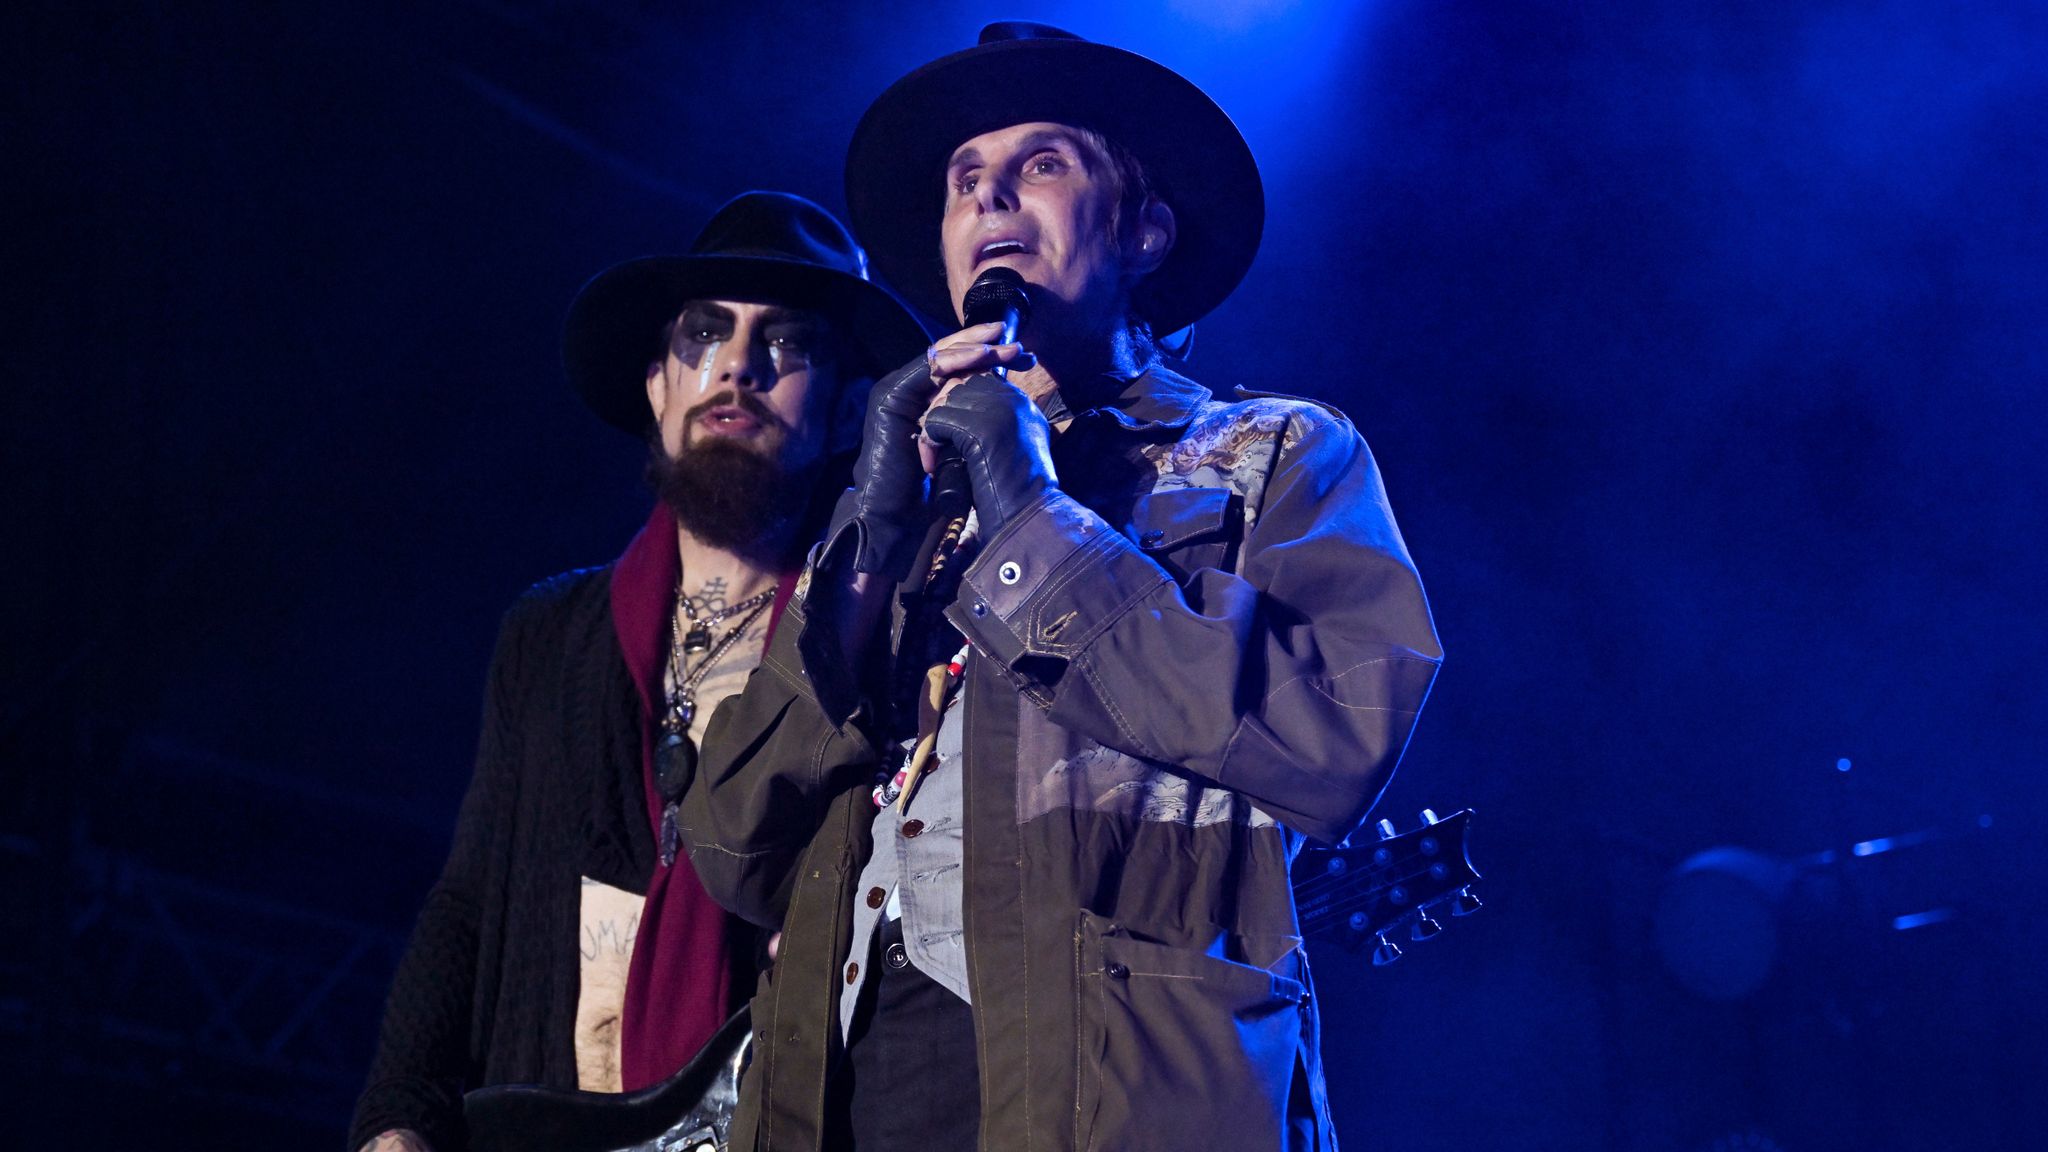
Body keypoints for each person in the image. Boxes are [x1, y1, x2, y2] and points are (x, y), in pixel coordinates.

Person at [681, 23, 1443, 1152]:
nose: (991, 198)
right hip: (848, 1092)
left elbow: (1333, 733)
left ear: (1142, 230)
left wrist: (1031, 517)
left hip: (1115, 1093)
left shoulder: (1270, 452)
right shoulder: (904, 504)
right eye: (964, 183)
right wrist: (868, 537)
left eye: (1040, 164)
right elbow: (733, 847)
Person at [347, 192, 929, 1152]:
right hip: (533, 1117)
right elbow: (469, 894)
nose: (738, 366)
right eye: (705, 335)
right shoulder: (550, 632)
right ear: (658, 385)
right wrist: (397, 1114)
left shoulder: (878, 644)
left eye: (788, 343)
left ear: (847, 418)